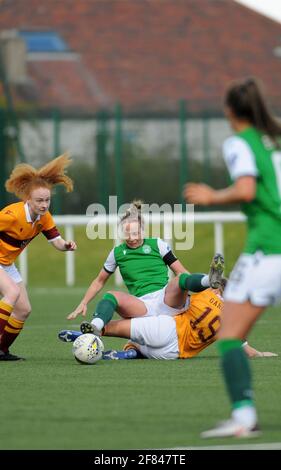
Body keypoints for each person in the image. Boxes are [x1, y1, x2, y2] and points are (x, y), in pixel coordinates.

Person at [185, 77, 281, 438]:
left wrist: (211, 197)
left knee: (229, 336)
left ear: (229, 111)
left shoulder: (240, 143)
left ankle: (243, 418)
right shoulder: (277, 139)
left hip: (268, 250)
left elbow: (246, 189)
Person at [67, 200, 224, 335]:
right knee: (111, 295)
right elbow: (99, 281)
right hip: (141, 305)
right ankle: (95, 328)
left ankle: (209, 280)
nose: (132, 238)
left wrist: (206, 289)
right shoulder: (117, 253)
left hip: (167, 299)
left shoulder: (157, 244)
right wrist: (84, 302)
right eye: (128, 234)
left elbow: (181, 271)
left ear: (143, 230)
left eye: (136, 233)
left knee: (180, 279)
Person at [59, 281, 277, 361]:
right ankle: (131, 352)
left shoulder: (206, 295)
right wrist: (260, 354)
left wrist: (204, 281)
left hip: (166, 330)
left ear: (219, 289)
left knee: (112, 328)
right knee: (140, 346)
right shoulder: (233, 317)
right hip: (172, 354)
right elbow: (241, 344)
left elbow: (182, 285)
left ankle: (89, 335)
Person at [0, 153, 77, 361]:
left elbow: (56, 241)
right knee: (12, 292)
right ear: (28, 199)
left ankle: (2, 351)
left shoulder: (44, 218)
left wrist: (67, 246)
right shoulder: (11, 216)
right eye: (39, 201)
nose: (44, 205)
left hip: (6, 264)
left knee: (24, 310)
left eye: (47, 200)